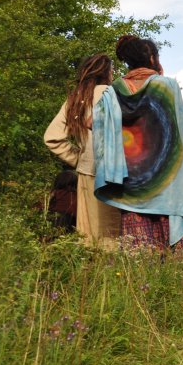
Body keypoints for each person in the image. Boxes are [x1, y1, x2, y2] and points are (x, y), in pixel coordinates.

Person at [93, 35, 183, 260]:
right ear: (151, 58)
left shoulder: (113, 92)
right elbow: (181, 135)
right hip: (168, 184)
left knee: (140, 256)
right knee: (180, 263)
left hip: (132, 185)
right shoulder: (167, 85)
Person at [44, 53, 122, 248]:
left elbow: (52, 137)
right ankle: (113, 276)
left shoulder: (77, 97)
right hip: (115, 172)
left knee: (87, 235)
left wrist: (80, 160)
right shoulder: (113, 94)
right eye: (112, 70)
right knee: (111, 236)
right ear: (107, 72)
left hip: (87, 173)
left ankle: (89, 275)